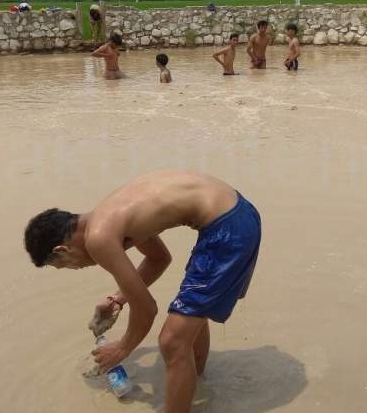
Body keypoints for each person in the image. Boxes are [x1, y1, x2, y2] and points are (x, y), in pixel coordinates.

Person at [23, 170, 261, 413]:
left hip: (229, 230)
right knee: (188, 314)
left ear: (62, 250)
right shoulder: (109, 216)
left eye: (64, 265)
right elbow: (159, 259)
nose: (75, 268)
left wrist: (122, 348)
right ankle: (195, 380)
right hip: (238, 212)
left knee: (171, 341)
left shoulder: (98, 239)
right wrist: (118, 299)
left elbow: (147, 309)